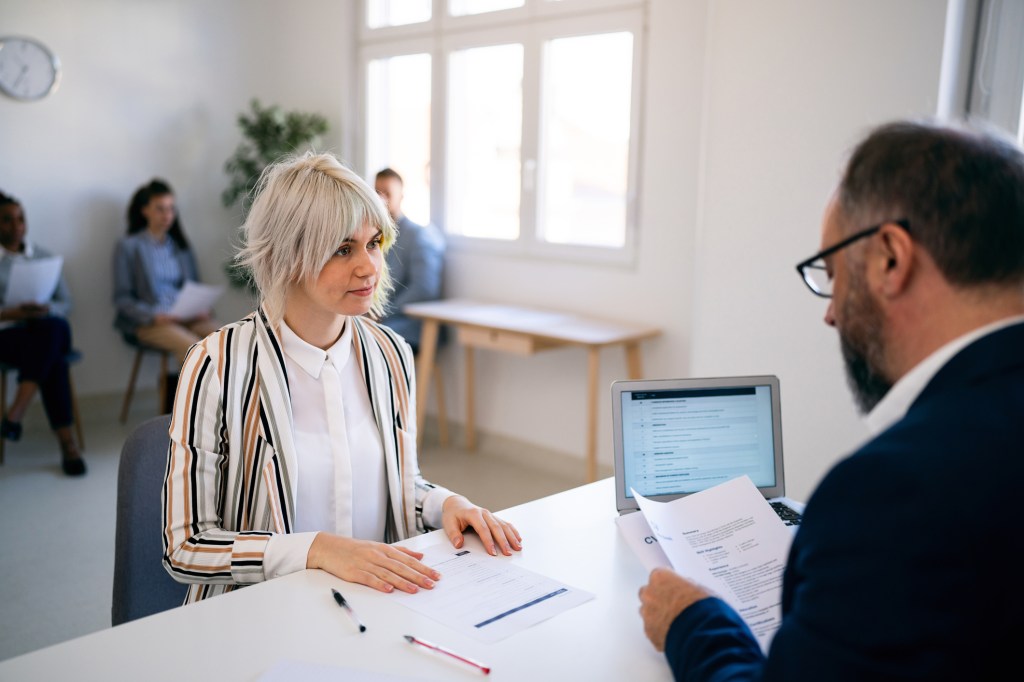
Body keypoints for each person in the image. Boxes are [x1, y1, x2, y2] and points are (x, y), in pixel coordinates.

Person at [639, 119, 1024, 680]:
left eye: (832, 273)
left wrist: (692, 621)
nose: (831, 312)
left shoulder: (890, 494)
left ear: (890, 258)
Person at [162, 152, 521, 604]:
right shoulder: (216, 364)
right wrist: (316, 550)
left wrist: (445, 504)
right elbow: (185, 547)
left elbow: (399, 484)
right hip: (259, 614)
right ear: (289, 255)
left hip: (371, 608)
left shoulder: (390, 354)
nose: (369, 266)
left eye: (374, 243)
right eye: (343, 249)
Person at [113, 179, 219, 413]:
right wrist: (154, 316)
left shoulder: (180, 246)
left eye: (171, 209)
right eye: (160, 209)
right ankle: (199, 412)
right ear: (145, 210)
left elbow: (194, 286)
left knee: (224, 339)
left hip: (186, 315)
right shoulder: (129, 247)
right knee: (192, 348)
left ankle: (231, 405)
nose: (167, 215)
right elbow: (122, 299)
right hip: (152, 320)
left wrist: (201, 308)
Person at [0, 191, 85, 476]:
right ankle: (68, 446)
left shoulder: (44, 256)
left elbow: (67, 303)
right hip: (9, 336)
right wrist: (13, 313)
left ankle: (16, 412)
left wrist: (46, 308)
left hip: (45, 328)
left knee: (52, 327)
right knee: (54, 358)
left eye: (20, 219)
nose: (17, 226)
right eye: (7, 220)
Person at [373, 167, 445, 353]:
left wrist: (382, 311)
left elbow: (424, 290)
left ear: (401, 196)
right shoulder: (372, 236)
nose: (381, 199)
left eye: (387, 193)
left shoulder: (419, 236)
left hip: (411, 324)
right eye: (376, 192)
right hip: (381, 318)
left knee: (368, 338)